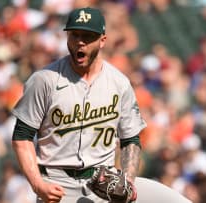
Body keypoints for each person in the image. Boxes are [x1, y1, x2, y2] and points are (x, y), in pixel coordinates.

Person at [11, 7, 147, 203]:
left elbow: (131, 139)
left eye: (88, 36)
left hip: (102, 185)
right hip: (56, 183)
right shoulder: (45, 80)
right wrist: (37, 184)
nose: (80, 42)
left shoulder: (119, 83)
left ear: (102, 40)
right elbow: (22, 137)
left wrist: (127, 182)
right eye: (75, 35)